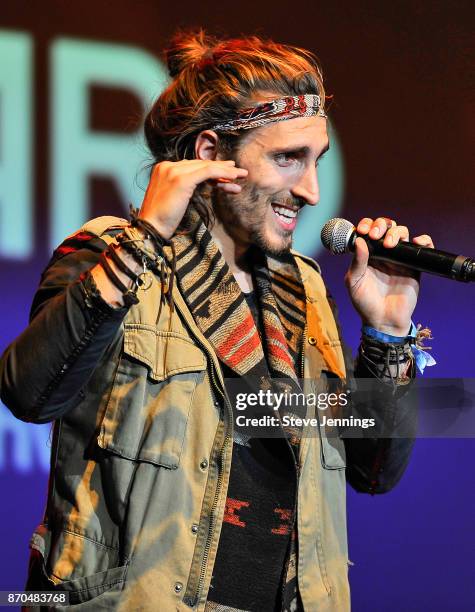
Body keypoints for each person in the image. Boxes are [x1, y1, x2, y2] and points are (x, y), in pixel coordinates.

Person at [0, 31, 434, 612]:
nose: (311, 191)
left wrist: (387, 335)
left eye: (316, 161)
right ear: (210, 155)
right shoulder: (105, 256)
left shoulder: (303, 291)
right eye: (287, 158)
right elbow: (30, 394)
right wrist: (145, 239)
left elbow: (373, 471)